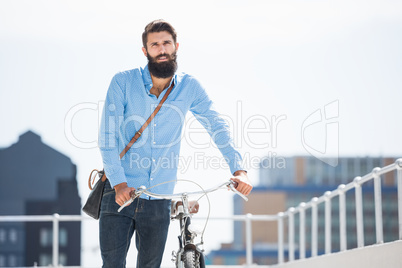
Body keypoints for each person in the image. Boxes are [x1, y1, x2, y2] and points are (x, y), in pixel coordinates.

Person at [98, 19, 253, 268]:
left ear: (176, 46)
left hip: (158, 196)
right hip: (118, 192)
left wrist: (239, 170)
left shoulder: (189, 87)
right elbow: (107, 137)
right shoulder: (123, 82)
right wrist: (119, 184)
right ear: (145, 51)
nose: (161, 49)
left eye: (166, 43)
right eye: (155, 44)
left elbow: (216, 125)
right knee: (112, 264)